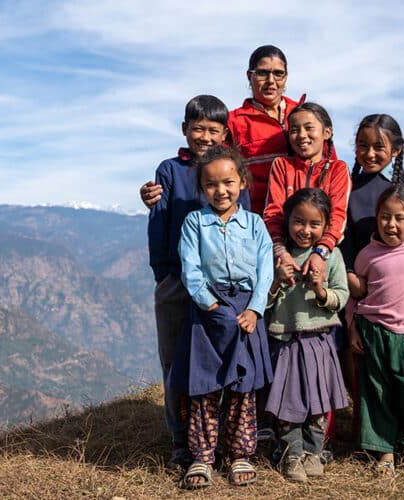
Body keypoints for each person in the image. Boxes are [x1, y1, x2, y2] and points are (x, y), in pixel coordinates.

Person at [147, 95, 251, 470]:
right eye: (198, 128)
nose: (204, 136)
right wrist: (164, 273)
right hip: (178, 280)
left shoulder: (232, 171)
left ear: (225, 133)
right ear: (184, 130)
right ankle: (181, 440)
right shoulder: (170, 171)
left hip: (227, 289)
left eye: (213, 130)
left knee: (225, 361)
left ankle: (221, 439)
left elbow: (248, 223)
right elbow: (158, 223)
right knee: (177, 362)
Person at [168, 145, 274, 488]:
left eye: (228, 182)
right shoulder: (194, 223)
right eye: (211, 184)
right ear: (201, 188)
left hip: (246, 311)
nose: (221, 190)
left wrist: (255, 309)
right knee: (205, 385)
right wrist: (212, 306)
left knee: (243, 385)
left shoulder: (255, 224)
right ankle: (201, 457)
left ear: (242, 182)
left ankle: (240, 452)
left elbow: (265, 270)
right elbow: (191, 269)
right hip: (207, 311)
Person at [337, 114, 404, 428]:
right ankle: (370, 431)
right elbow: (342, 238)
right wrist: (347, 275)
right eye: (362, 146)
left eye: (378, 147)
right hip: (363, 292)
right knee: (366, 367)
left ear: (397, 150)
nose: (369, 153)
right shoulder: (349, 188)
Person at [138, 45, 334, 212]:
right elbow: (205, 164)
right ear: (249, 76)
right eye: (263, 73)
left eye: (278, 74)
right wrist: (164, 196)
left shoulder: (304, 116)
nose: (271, 81)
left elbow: (329, 166)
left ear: (286, 77)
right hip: (256, 221)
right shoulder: (234, 122)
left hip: (308, 220)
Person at [347, 185, 404, 475]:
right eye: (385, 217)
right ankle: (384, 452)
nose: (391, 224)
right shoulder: (367, 255)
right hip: (373, 332)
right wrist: (352, 328)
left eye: (400, 217)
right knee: (377, 394)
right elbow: (355, 296)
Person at [264, 188, 349, 482]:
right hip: (285, 341)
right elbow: (263, 301)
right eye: (299, 221)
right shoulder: (277, 257)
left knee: (317, 402)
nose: (305, 230)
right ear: (287, 221)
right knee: (289, 404)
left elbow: (342, 295)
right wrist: (276, 281)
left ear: (326, 227)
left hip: (319, 340)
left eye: (315, 224)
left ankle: (313, 452)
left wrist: (321, 291)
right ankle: (291, 455)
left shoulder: (332, 256)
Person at [263, 102, 350, 287]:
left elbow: (338, 216)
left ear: (327, 132)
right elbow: (273, 213)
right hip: (286, 257)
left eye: (309, 128)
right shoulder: (281, 166)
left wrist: (321, 253)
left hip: (326, 257)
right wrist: (281, 251)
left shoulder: (338, 169)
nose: (302, 135)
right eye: (294, 129)